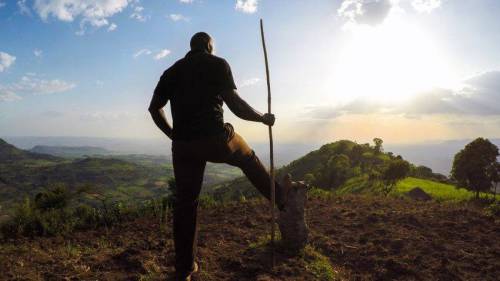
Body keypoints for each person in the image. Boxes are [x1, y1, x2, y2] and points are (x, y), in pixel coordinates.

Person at [148, 32, 289, 280]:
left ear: (191, 47)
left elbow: (154, 108)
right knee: (247, 157)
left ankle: (184, 269)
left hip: (183, 146)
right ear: (209, 46)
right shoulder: (217, 63)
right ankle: (282, 199)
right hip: (215, 139)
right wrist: (263, 118)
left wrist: (173, 135)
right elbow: (235, 104)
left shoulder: (171, 71)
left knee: (186, 204)